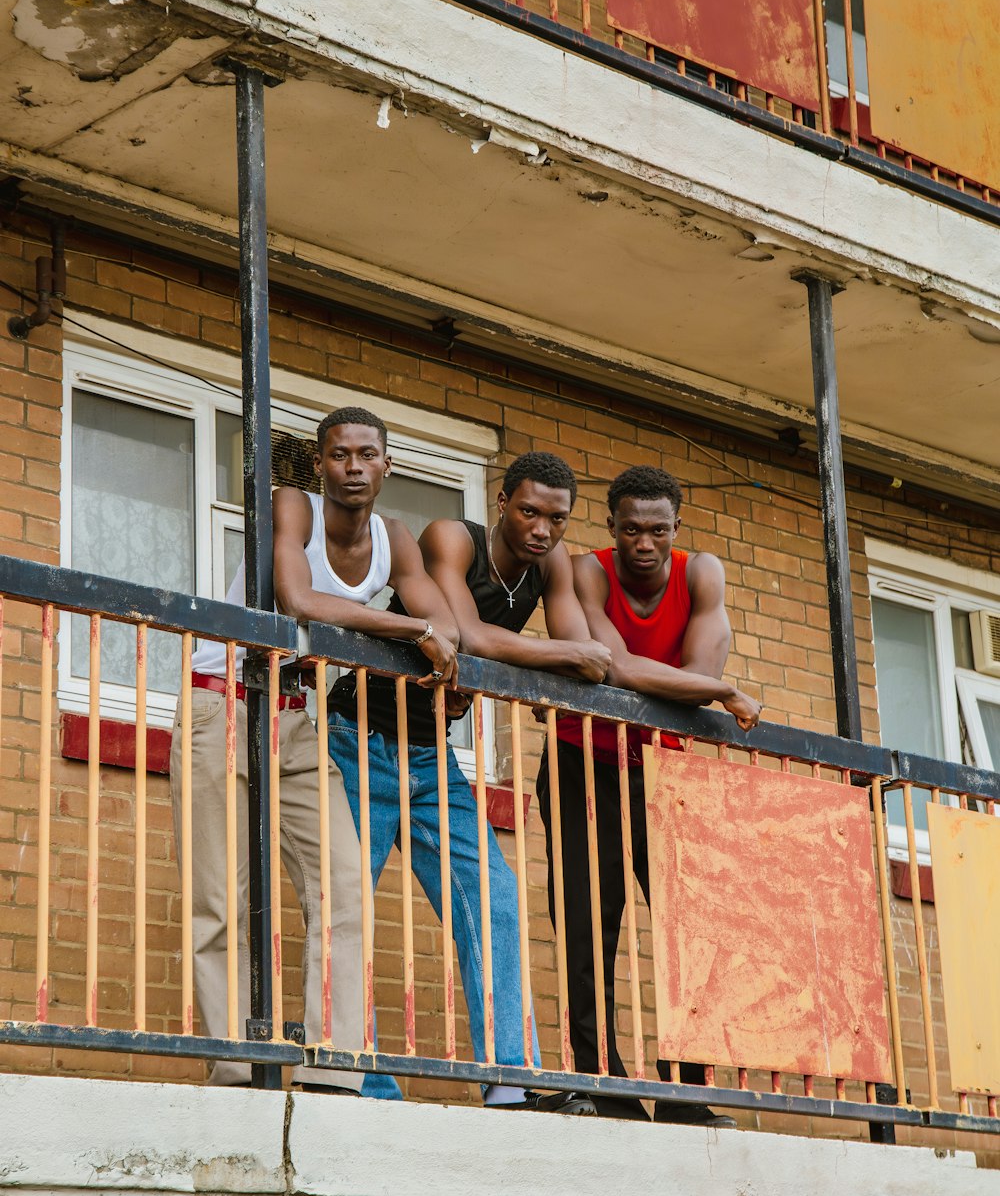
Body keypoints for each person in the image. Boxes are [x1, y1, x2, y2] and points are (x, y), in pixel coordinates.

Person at [170, 405, 457, 1091]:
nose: (353, 467)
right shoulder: (291, 506)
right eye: (339, 455)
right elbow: (298, 600)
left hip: (298, 717)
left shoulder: (394, 539)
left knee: (344, 888)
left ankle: (334, 1069)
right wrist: (412, 629)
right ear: (321, 464)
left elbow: (445, 625)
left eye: (366, 454)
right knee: (221, 898)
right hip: (225, 705)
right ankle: (236, 1066)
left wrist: (426, 629)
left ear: (388, 465)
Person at [328, 451, 611, 1112]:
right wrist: (569, 654)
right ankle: (360, 1078)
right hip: (358, 737)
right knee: (347, 910)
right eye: (530, 511)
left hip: (431, 756)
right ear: (503, 502)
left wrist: (574, 656)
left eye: (557, 520)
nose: (542, 529)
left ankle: (511, 1081)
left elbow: (586, 664)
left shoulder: (552, 568)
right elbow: (469, 635)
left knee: (497, 902)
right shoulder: (452, 538)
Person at [538, 464, 762, 1125]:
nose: (644, 543)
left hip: (667, 777)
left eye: (658, 531)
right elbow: (619, 667)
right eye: (631, 529)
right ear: (611, 528)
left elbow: (697, 670)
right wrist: (719, 693)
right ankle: (601, 1083)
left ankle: (687, 1094)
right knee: (586, 921)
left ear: (675, 530)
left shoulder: (702, 575)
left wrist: (706, 685)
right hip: (583, 760)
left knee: (685, 931)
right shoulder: (588, 572)